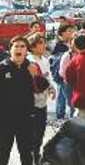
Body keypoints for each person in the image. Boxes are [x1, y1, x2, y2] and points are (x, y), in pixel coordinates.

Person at [0, 36, 49, 165]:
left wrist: (35, 75)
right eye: (16, 46)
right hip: (5, 119)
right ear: (10, 49)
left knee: (27, 153)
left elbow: (42, 87)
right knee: (3, 152)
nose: (19, 49)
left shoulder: (31, 66)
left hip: (26, 118)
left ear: (27, 50)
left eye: (22, 46)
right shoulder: (3, 67)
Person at [27, 32, 56, 165]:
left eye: (44, 42)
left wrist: (52, 88)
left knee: (40, 131)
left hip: (42, 103)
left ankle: (36, 154)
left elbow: (48, 76)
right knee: (31, 133)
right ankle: (31, 157)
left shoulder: (44, 60)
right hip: (30, 103)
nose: (44, 45)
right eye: (40, 43)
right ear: (32, 46)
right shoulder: (29, 61)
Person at [50, 24, 75, 119]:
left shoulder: (70, 43)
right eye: (69, 31)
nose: (71, 33)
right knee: (64, 97)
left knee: (61, 95)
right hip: (61, 75)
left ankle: (60, 115)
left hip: (64, 76)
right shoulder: (59, 45)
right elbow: (55, 60)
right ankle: (61, 115)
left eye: (71, 31)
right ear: (62, 33)